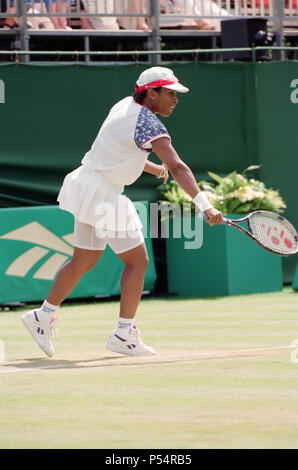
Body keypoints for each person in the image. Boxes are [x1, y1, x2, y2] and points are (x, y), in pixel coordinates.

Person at [21, 66, 223, 359]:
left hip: (86, 182)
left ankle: (42, 316)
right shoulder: (150, 124)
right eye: (169, 93)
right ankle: (123, 334)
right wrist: (206, 205)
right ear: (151, 93)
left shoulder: (124, 106)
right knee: (137, 262)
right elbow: (179, 167)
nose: (175, 100)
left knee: (84, 259)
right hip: (103, 194)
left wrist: (151, 166)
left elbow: (117, 148)